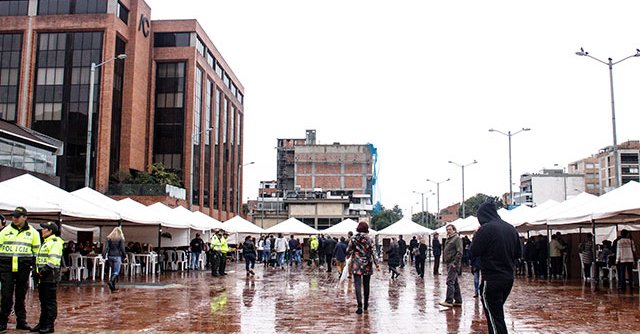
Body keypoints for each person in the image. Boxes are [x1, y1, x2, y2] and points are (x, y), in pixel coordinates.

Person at [470, 201, 521, 334]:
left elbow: (473, 251)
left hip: (491, 279)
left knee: (495, 318)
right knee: (497, 315)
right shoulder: (511, 229)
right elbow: (519, 254)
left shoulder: (486, 229)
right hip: (508, 279)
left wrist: (476, 237)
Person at [0, 207, 40, 331]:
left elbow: (37, 252)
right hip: (6, 267)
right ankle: (2, 321)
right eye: (13, 216)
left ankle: (21, 321)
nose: (15, 219)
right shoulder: (4, 232)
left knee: (20, 296)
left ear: (25, 217)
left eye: (18, 216)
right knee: (6, 296)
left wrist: (35, 269)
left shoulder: (33, 233)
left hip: (23, 268)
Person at [33, 222, 63, 334]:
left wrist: (42, 272)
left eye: (44, 229)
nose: (42, 231)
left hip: (49, 276)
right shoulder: (47, 242)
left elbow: (52, 261)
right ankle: (42, 323)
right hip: (43, 277)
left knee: (49, 302)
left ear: (50, 231)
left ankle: (49, 325)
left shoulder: (54, 243)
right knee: (43, 301)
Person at [347, 222, 379, 314]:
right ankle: (366, 305)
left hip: (356, 263)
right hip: (367, 263)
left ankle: (359, 306)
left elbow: (348, 250)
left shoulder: (353, 239)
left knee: (357, 285)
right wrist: (377, 264)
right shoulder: (369, 239)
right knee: (366, 285)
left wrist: (351, 253)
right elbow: (374, 252)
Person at [439, 224, 462, 308]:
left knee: (450, 281)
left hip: (453, 263)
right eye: (447, 230)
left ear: (454, 230)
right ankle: (458, 300)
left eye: (449, 229)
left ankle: (449, 301)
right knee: (454, 282)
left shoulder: (457, 239)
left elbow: (460, 252)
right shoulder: (449, 239)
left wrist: (455, 263)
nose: (448, 231)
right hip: (449, 263)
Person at [103, 226, 126, 292]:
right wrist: (124, 256)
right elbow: (122, 248)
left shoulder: (109, 239)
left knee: (113, 271)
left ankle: (113, 288)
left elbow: (106, 248)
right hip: (117, 256)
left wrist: (104, 255)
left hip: (110, 256)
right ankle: (110, 281)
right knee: (116, 272)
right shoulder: (120, 239)